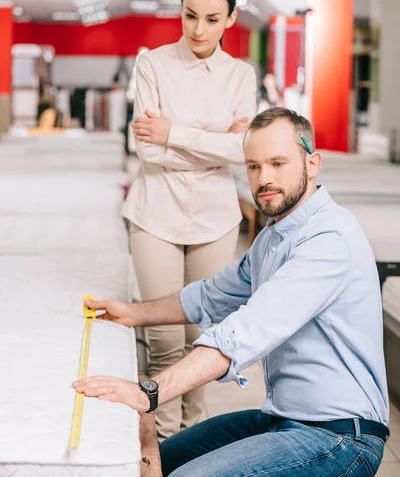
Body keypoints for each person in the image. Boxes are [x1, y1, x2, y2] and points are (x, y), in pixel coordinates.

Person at [74, 107, 389, 477]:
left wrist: (149, 392)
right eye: (253, 166)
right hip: (284, 420)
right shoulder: (273, 236)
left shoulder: (328, 240)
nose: (264, 178)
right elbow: (211, 295)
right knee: (154, 458)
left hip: (341, 438)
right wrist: (133, 313)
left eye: (277, 163)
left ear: (313, 163)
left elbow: (243, 333)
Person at [121, 0, 257, 439]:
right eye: (190, 16)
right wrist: (217, 141)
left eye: (212, 19)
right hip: (155, 212)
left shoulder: (241, 75)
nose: (198, 29)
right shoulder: (153, 64)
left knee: (202, 339)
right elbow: (148, 150)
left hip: (215, 218)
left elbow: (244, 150)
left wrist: (174, 132)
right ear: (180, 11)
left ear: (230, 19)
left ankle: (190, 443)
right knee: (162, 340)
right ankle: (162, 442)